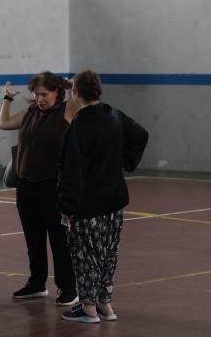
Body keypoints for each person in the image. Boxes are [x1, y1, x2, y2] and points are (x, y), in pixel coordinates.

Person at [57, 69, 148, 323]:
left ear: (75, 92)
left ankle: (87, 308)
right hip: (115, 200)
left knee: (85, 254)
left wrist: (67, 206)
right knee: (109, 253)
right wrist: (123, 162)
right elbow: (141, 135)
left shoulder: (81, 125)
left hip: (89, 204)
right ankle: (105, 304)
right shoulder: (115, 116)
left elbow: (72, 169)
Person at [0, 71, 80, 305]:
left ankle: (68, 288)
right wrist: (7, 99)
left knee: (59, 240)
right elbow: (4, 124)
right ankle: (36, 283)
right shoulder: (31, 112)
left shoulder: (67, 111)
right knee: (33, 239)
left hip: (52, 187)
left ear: (58, 93)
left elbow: (81, 91)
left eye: (44, 94)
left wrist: (68, 83)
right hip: (26, 186)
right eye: (36, 94)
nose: (39, 98)